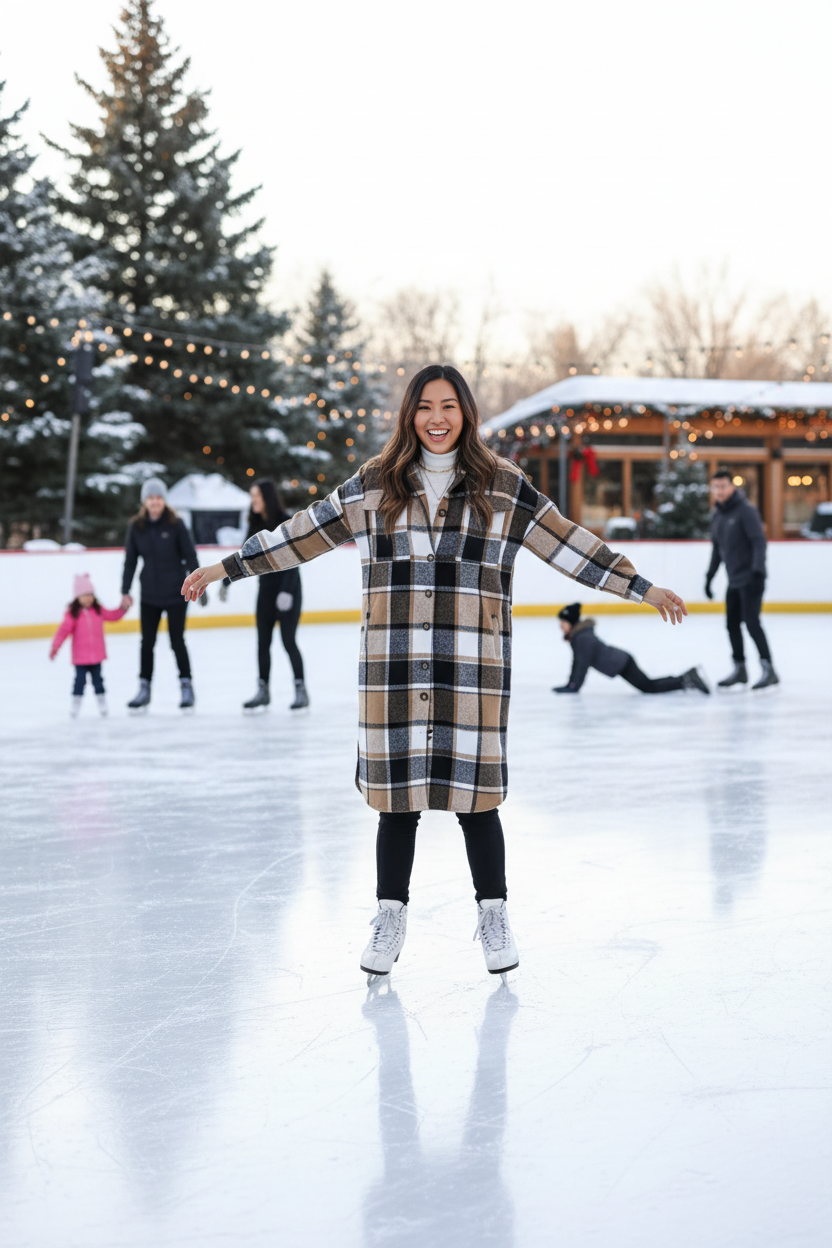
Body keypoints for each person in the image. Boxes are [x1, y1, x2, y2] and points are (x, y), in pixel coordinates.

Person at [182, 365, 687, 982]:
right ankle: (389, 916)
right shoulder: (375, 485)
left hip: (472, 667)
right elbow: (303, 533)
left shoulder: (503, 488)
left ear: (467, 413)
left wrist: (639, 586)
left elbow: (568, 542)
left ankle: (494, 914)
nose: (437, 418)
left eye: (449, 406)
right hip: (393, 666)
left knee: (477, 802)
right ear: (409, 415)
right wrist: (227, 568)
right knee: (396, 805)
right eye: (425, 407)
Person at [219, 478, 309, 711]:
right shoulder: (255, 522)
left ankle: (301, 690)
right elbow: (244, 558)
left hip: (288, 590)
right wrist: (226, 582)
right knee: (263, 642)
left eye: (256, 497)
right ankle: (263, 691)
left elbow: (295, 558)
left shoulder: (283, 520)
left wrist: (287, 592)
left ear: (266, 497)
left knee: (288, 641)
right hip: (266, 591)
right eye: (252, 497)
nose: (253, 501)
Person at [121, 478, 202, 711]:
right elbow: (130, 561)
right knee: (147, 643)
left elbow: (190, 555)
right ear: (144, 501)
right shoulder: (136, 526)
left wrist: (198, 582)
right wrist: (125, 591)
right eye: (150, 498)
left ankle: (186, 687)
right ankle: (144, 688)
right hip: (149, 595)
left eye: (158, 498)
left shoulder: (176, 524)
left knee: (177, 641)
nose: (155, 502)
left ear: (164, 500)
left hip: (177, 593)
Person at [705, 469, 779, 690]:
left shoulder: (746, 511)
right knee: (731, 624)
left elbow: (759, 541)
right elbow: (717, 550)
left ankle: (769, 669)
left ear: (732, 487)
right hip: (734, 579)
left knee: (752, 622)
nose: (719, 491)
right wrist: (709, 578)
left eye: (723, 486)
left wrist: (757, 570)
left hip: (751, 577)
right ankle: (740, 669)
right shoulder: (718, 515)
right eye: (715, 487)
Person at [552, 602, 709, 694]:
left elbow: (581, 664)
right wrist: (571, 685)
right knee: (648, 685)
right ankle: (686, 679)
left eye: (563, 623)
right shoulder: (579, 636)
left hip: (620, 663)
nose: (561, 626)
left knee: (648, 687)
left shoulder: (582, 639)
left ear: (571, 623)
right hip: (620, 661)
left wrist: (573, 686)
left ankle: (686, 679)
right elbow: (578, 662)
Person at [49, 573, 128, 716]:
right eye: (84, 595)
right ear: (77, 597)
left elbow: (112, 616)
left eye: (90, 595)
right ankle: (76, 703)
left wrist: (123, 608)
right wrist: (55, 647)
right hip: (80, 658)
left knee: (98, 680)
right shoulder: (72, 614)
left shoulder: (98, 610)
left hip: (97, 655)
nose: (88, 598)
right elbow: (63, 631)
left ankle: (102, 702)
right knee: (79, 681)